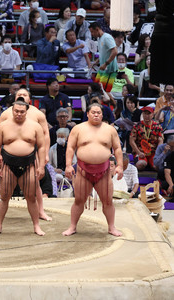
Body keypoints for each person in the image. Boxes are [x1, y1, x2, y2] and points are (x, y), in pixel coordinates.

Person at [62, 103, 123, 237]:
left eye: (99, 113)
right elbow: (70, 148)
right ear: (88, 114)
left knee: (107, 201)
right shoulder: (78, 129)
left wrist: (119, 165)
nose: (96, 115)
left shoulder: (110, 130)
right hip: (83, 171)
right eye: (93, 112)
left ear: (102, 115)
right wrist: (68, 165)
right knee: (79, 200)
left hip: (104, 171)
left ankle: (111, 227)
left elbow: (117, 148)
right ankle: (72, 226)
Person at [0, 100, 46, 236]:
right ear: (12, 110)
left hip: (29, 164)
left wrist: (42, 166)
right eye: (16, 111)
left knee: (31, 197)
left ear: (27, 112)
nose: (19, 114)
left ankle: (36, 226)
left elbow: (42, 146)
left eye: (22, 111)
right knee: (4, 196)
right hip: (8, 165)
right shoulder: (3, 126)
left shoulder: (35, 126)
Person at [129, 106, 164, 171]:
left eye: (149, 114)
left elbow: (160, 141)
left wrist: (157, 153)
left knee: (157, 167)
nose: (146, 116)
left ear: (152, 115)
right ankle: (144, 162)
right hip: (140, 151)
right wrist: (138, 152)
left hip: (153, 152)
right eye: (145, 113)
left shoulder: (157, 126)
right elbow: (131, 141)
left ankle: (150, 163)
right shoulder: (137, 126)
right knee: (141, 164)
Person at [89, 22, 118, 91]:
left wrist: (106, 64)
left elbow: (115, 51)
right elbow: (103, 53)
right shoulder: (99, 39)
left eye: (92, 32)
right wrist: (96, 62)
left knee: (104, 91)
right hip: (103, 68)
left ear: (97, 29)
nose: (92, 34)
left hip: (109, 70)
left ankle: (114, 102)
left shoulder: (107, 37)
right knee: (95, 89)